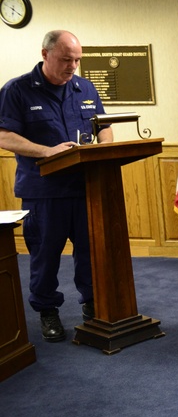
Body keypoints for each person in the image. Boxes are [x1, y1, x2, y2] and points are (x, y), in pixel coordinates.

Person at [0, 30, 112, 342]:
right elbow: (4, 135)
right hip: (44, 192)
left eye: (77, 59)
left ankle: (92, 304)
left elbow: (103, 127)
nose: (72, 65)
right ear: (45, 54)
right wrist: (47, 151)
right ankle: (47, 310)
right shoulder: (17, 90)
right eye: (66, 59)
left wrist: (104, 150)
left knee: (90, 252)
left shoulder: (84, 87)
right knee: (45, 255)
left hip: (85, 187)